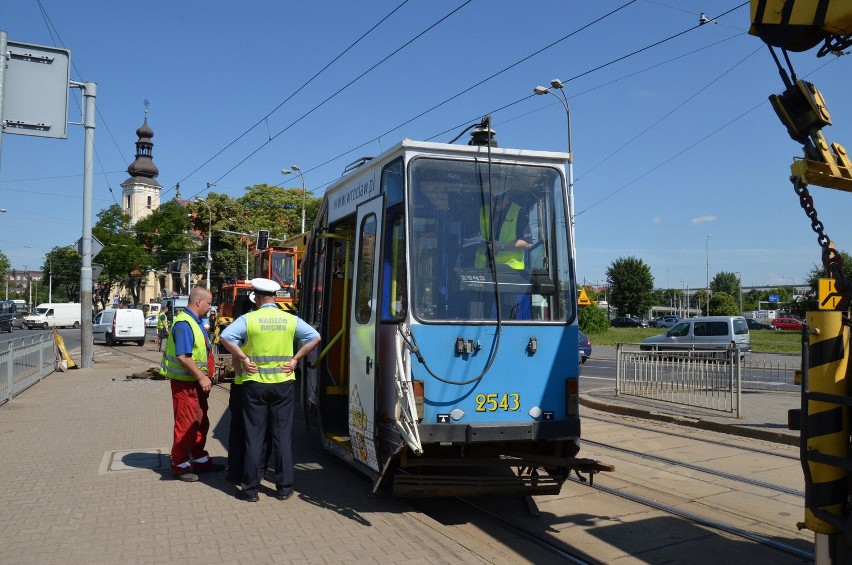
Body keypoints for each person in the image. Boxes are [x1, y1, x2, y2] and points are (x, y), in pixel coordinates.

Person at [219, 278, 321, 502]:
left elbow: (225, 337)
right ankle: (284, 488)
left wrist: (244, 358)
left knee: (254, 437)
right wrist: (295, 359)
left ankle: (250, 490)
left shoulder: (249, 319)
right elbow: (315, 337)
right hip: (283, 384)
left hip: (255, 384)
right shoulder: (289, 319)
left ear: (256, 297)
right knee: (282, 437)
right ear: (275, 297)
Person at [159, 287, 217, 482]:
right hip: (186, 385)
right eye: (209, 303)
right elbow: (183, 356)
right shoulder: (184, 323)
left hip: (195, 385)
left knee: (200, 422)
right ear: (199, 302)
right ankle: (180, 465)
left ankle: (200, 460)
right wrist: (202, 377)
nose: (210, 307)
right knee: (186, 424)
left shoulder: (195, 321)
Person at [466, 187, 534, 318]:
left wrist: (501, 246)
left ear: (507, 196)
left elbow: (527, 242)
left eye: (499, 200)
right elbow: (471, 233)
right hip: (483, 271)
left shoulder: (518, 212)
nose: (496, 203)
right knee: (480, 314)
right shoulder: (482, 211)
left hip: (509, 273)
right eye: (493, 199)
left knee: (508, 314)